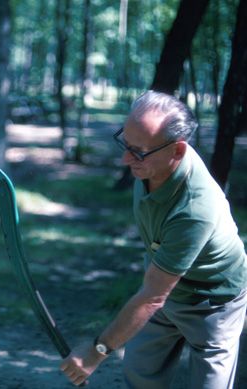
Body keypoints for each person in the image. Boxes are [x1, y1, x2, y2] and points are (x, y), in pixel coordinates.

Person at [60, 90, 247, 388]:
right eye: (125, 143)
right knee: (140, 375)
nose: (124, 158)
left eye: (138, 151)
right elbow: (156, 294)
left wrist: (96, 352)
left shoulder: (196, 208)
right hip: (163, 288)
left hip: (213, 302)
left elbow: (152, 296)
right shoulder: (151, 161)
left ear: (177, 151)